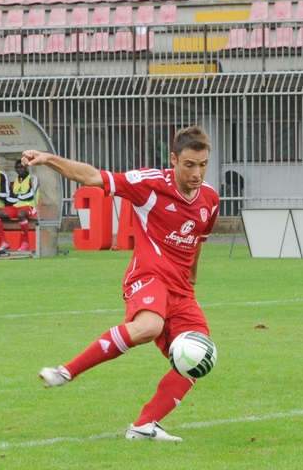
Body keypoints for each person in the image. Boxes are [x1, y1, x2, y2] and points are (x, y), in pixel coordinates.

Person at [23, 125, 219, 441]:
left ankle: (144, 426)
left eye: (203, 164)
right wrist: (48, 158)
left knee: (197, 358)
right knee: (149, 326)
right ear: (174, 159)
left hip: (181, 289)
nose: (197, 173)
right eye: (189, 165)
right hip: (148, 276)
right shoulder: (150, 184)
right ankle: (66, 372)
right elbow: (91, 177)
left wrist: (192, 276)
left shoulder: (210, 198)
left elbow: (198, 240)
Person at [2, 159, 39, 252]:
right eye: (18, 167)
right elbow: (8, 198)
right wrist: (20, 198)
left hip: (30, 206)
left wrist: (17, 197)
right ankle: (3, 242)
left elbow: (31, 195)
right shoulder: (14, 182)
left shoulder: (33, 178)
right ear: (15, 169)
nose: (20, 169)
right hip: (16, 206)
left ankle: (26, 242)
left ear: (26, 167)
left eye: (21, 167)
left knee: (21, 215)